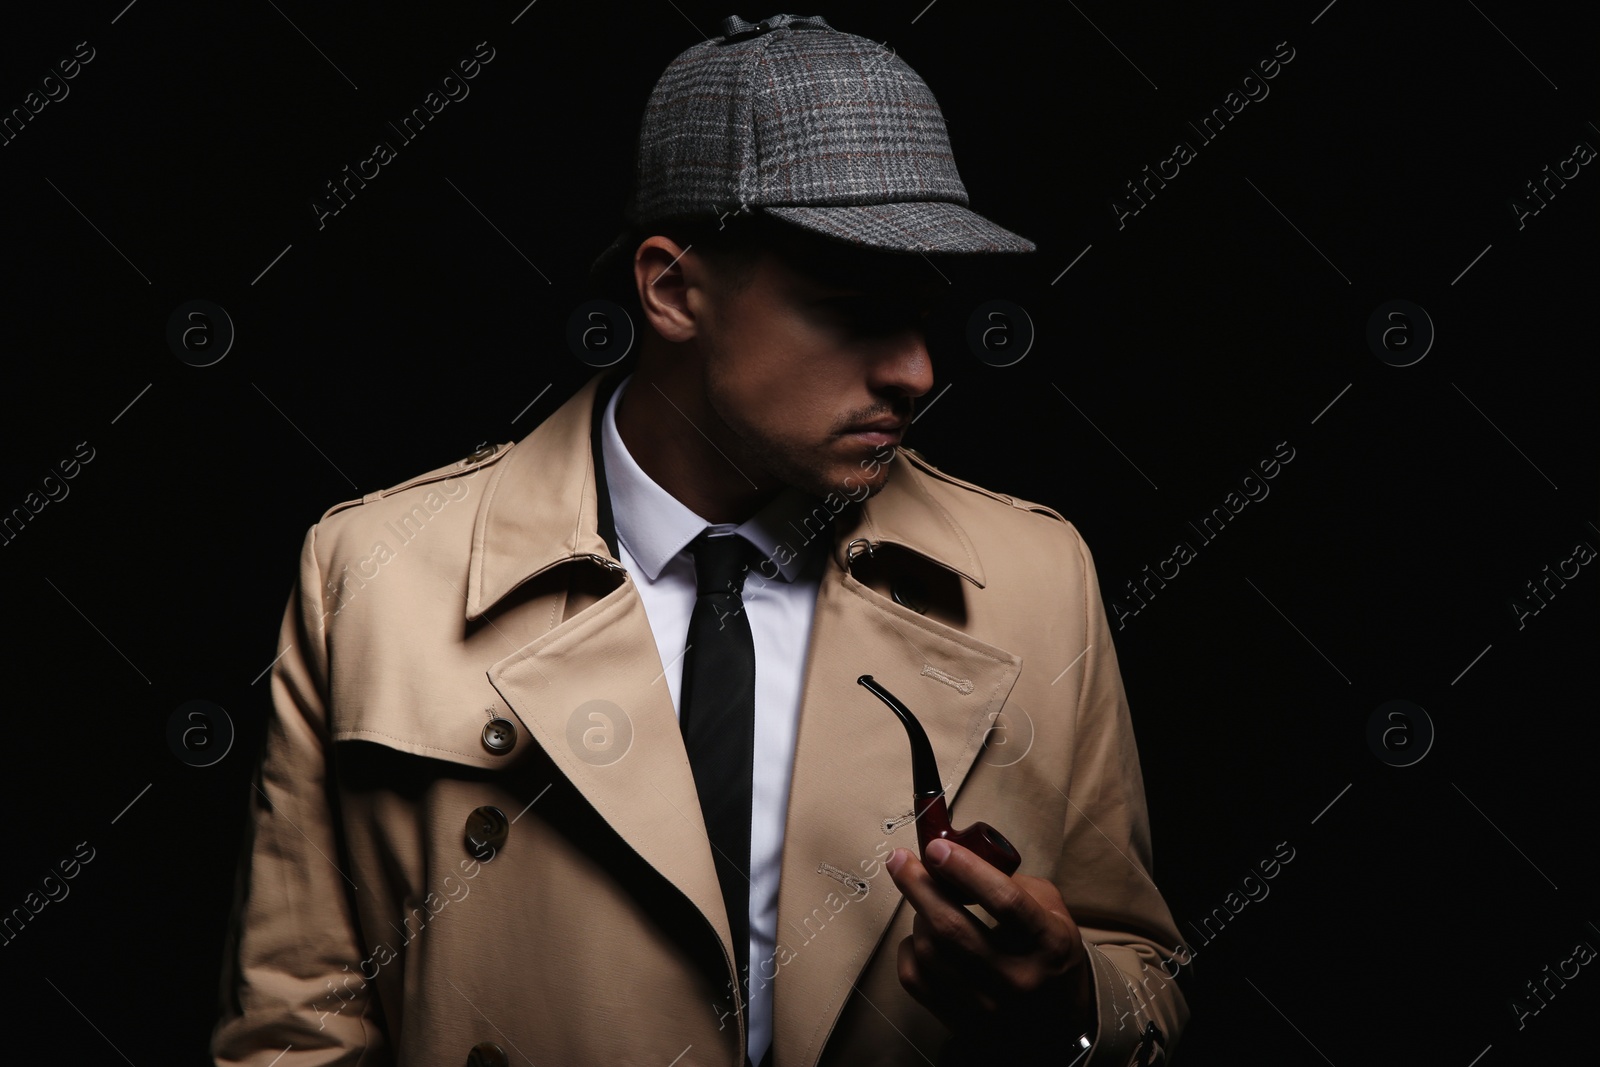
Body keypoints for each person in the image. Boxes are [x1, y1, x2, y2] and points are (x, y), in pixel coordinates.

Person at [212, 13, 1189, 1067]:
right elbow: (293, 1026)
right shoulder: (377, 575)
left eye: (924, 316)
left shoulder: (1035, 581)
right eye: (853, 310)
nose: (914, 370)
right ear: (672, 289)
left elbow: (1142, 979)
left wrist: (1069, 1005)